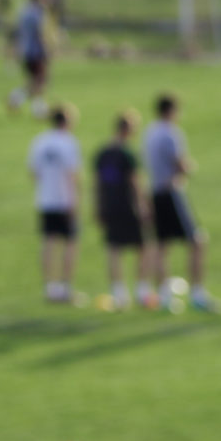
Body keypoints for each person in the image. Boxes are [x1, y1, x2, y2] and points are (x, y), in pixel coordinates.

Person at [143, 92, 216, 311]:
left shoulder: (150, 132)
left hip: (155, 191)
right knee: (197, 241)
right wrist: (190, 168)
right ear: (171, 111)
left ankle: (164, 296)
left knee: (162, 245)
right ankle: (197, 294)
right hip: (171, 192)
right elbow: (181, 165)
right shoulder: (170, 134)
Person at [93, 109, 152, 309]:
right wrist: (143, 206)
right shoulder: (127, 154)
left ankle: (119, 292)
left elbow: (97, 183)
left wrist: (98, 206)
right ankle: (141, 290)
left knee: (114, 248)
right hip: (128, 205)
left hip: (109, 205)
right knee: (142, 247)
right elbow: (136, 182)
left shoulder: (103, 153)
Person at [27, 103, 82, 304]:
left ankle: (50, 288)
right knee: (70, 243)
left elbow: (34, 173)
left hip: (45, 199)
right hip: (64, 199)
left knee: (48, 242)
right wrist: (75, 200)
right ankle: (66, 288)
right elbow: (72, 175)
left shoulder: (39, 142)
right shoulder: (68, 142)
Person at [7, 0, 49, 117]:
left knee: (36, 80)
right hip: (35, 51)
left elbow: (17, 31)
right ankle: (17, 98)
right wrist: (45, 49)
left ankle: (36, 107)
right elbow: (39, 33)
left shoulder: (24, 11)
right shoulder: (38, 12)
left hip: (25, 50)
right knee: (40, 80)